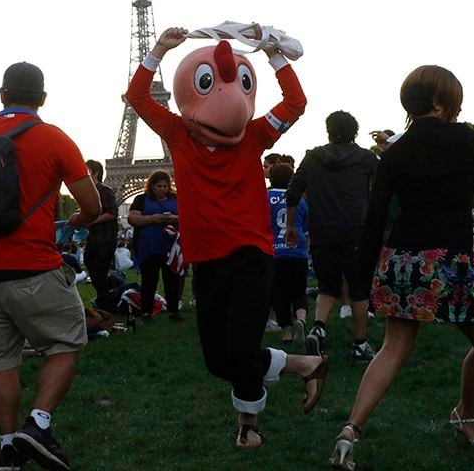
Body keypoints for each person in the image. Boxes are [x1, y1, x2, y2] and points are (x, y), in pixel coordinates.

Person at [125, 26, 326, 449]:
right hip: (207, 259)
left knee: (240, 345)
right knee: (217, 360)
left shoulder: (253, 136)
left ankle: (248, 425)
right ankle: (301, 364)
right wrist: (159, 49)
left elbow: (296, 103)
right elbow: (139, 98)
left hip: (252, 254)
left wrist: (274, 57)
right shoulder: (178, 133)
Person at [330, 65, 474, 470]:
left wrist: (364, 275)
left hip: (402, 260)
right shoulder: (463, 137)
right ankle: (468, 414)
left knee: (394, 347)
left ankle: (351, 429)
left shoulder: (393, 153)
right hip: (450, 259)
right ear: (442, 100)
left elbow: (375, 217)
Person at [0, 62, 100, 471]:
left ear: (1, 95)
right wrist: (80, 221)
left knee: (0, 362)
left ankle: (7, 451)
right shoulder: (53, 138)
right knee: (66, 342)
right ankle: (37, 425)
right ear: (43, 98)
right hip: (34, 264)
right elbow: (92, 205)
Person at [285, 111, 379, 361]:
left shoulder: (313, 158)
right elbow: (384, 189)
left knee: (327, 286)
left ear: (327, 131)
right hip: (356, 234)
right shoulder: (366, 159)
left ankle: (318, 328)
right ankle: (359, 344)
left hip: (321, 234)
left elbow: (293, 192)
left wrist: (292, 226)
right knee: (359, 290)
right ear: (355, 132)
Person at [127, 170, 182, 322]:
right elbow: (132, 218)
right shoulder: (141, 199)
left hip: (171, 248)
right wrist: (153, 218)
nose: (163, 189)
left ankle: (173, 310)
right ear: (151, 186)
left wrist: (173, 218)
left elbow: (188, 217)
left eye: (165, 186)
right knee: (149, 281)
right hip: (149, 247)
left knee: (172, 280)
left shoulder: (176, 198)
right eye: (159, 186)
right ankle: (146, 312)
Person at [267, 163, 309, 345]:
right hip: (297, 250)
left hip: (275, 252)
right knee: (299, 290)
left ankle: (286, 332)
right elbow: (306, 228)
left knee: (280, 293)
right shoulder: (299, 199)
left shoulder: (265, 197)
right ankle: (301, 318)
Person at [79, 160, 119, 312]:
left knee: (99, 274)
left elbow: (112, 213)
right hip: (93, 239)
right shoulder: (88, 193)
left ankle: (105, 305)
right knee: (94, 272)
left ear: (95, 173)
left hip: (106, 239)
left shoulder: (105, 190)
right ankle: (106, 300)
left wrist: (92, 221)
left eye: (87, 170)